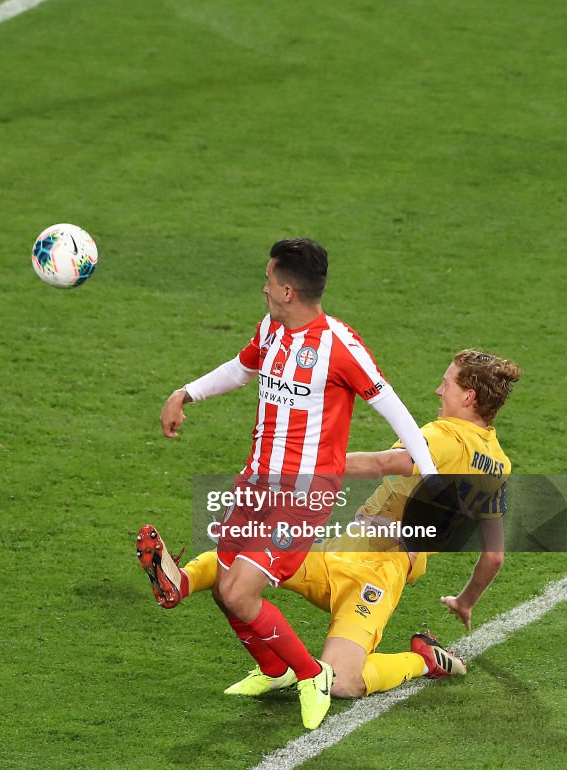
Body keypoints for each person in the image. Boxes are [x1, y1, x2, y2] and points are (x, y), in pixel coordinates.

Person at [146, 237, 440, 730]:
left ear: (287, 291)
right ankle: (274, 670)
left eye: (267, 281)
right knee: (224, 587)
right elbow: (241, 370)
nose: (262, 289)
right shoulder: (272, 328)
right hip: (256, 482)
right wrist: (185, 393)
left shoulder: (338, 345)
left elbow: (394, 408)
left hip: (303, 497)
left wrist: (432, 477)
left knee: (241, 594)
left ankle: (310, 675)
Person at [140, 349, 520, 702]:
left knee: (341, 681)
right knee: (245, 564)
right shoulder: (499, 464)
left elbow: (382, 463)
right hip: (348, 548)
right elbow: (494, 556)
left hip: (376, 573)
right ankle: (180, 582)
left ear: (469, 397)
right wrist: (464, 602)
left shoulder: (443, 435)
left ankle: (424, 660)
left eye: (448, 383)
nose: (439, 390)